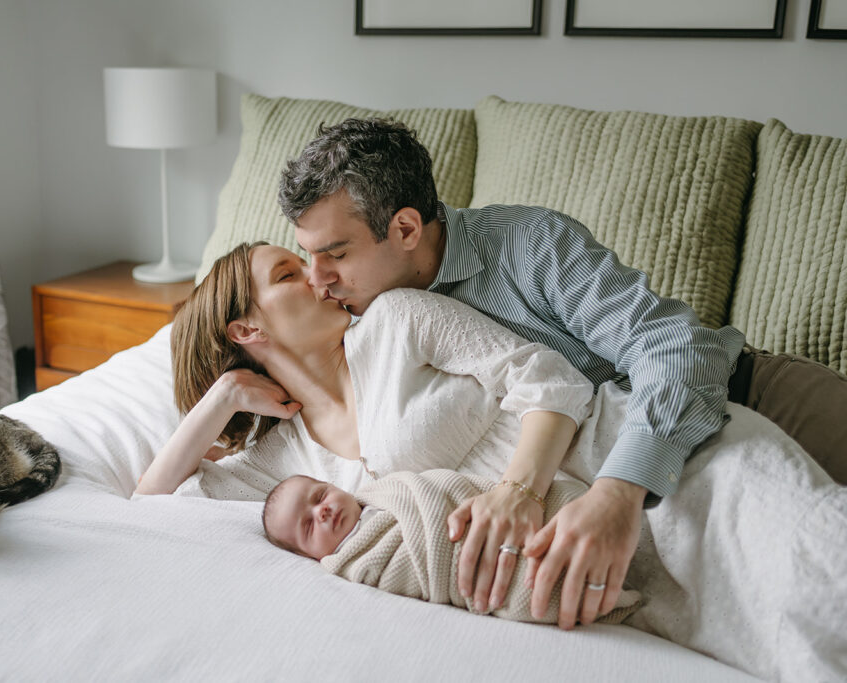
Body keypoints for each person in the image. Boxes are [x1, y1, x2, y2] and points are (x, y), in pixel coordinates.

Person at [136, 243, 846, 679]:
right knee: (794, 645)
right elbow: (150, 503)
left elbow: (554, 379)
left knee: (825, 579)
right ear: (246, 327)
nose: (321, 279)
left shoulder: (395, 318)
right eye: (290, 274)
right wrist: (225, 396)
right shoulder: (291, 453)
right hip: (598, 562)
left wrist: (520, 492)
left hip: (641, 455)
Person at [274, 117, 847, 630]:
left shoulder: (528, 245)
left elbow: (674, 349)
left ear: (404, 230)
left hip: (748, 394)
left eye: (337, 254)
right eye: (306, 257)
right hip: (669, 480)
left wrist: (615, 495)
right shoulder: (362, 321)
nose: (316, 280)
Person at [260, 471, 641, 626]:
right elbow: (409, 572)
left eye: (319, 495)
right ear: (311, 557)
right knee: (531, 584)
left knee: (562, 503)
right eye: (309, 525)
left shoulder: (390, 487)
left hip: (491, 512)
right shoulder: (355, 563)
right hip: (466, 564)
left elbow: (445, 488)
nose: (322, 511)